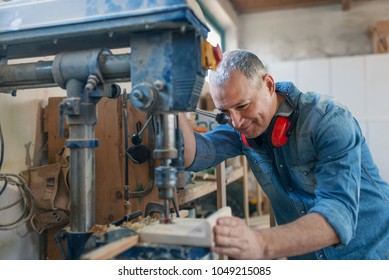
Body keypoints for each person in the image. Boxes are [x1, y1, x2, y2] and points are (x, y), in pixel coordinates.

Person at [180, 49, 389, 260]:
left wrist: (261, 244)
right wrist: (173, 106)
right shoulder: (241, 128)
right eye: (224, 113)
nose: (236, 122)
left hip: (370, 253)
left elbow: (339, 214)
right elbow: (195, 155)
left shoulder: (328, 120)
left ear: (269, 85)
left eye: (243, 106)